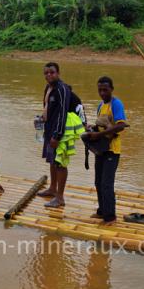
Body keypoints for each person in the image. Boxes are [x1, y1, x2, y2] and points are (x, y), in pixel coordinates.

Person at [36, 62, 85, 208]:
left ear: (58, 73)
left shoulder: (62, 89)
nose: (49, 75)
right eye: (46, 73)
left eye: (52, 72)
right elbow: (48, 108)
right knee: (52, 160)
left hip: (61, 131)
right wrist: (41, 120)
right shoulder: (48, 88)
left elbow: (62, 113)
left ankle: (60, 198)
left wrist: (57, 135)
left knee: (60, 163)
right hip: (50, 128)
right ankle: (52, 188)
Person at [83, 76, 128, 225]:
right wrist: (92, 129)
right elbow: (101, 126)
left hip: (112, 150)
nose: (102, 93)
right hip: (101, 149)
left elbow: (121, 125)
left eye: (105, 90)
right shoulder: (101, 105)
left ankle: (111, 217)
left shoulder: (116, 104)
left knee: (107, 184)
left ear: (112, 89)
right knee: (98, 182)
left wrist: (98, 134)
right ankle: (102, 211)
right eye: (100, 90)